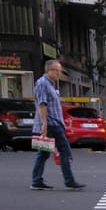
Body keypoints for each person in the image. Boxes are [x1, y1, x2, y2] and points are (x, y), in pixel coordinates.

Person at [31, 60, 85, 191]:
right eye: (57, 70)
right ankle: (69, 180)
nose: (59, 73)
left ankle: (37, 180)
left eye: (60, 71)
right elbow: (42, 104)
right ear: (49, 70)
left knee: (43, 153)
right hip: (51, 124)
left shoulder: (51, 85)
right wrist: (44, 124)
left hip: (54, 124)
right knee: (64, 151)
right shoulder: (43, 83)